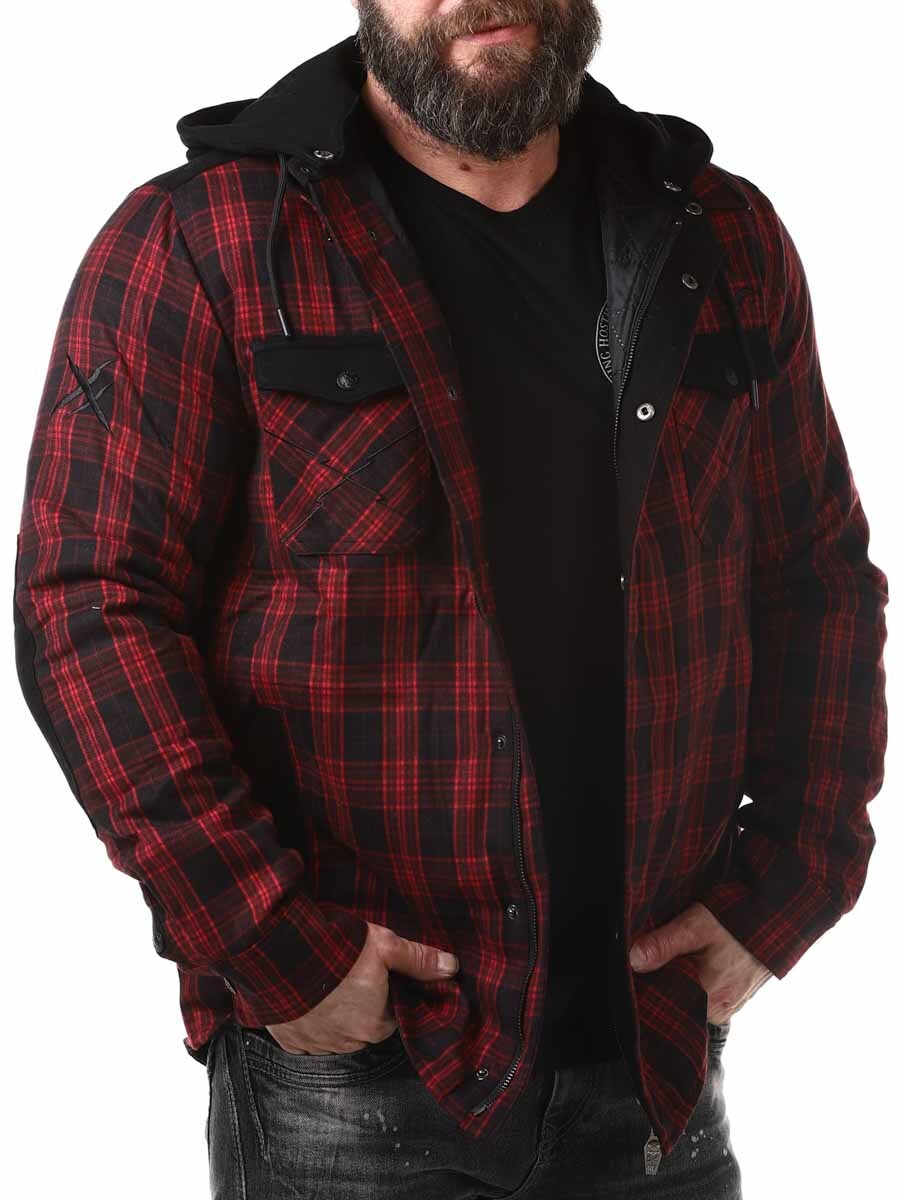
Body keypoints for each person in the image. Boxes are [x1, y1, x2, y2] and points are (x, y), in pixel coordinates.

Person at [13, 2, 888, 1197]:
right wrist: (270, 940)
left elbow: (817, 573)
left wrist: (792, 880)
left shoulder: (717, 234)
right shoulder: (203, 237)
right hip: (350, 1064)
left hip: (654, 1054)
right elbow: (89, 603)